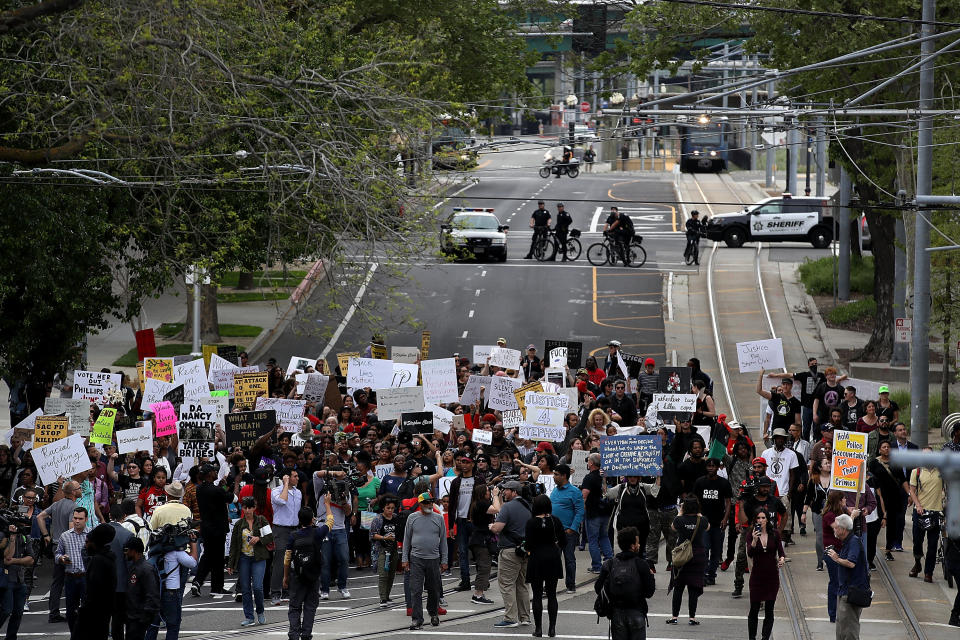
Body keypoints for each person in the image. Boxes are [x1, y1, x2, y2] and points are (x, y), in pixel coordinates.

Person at [596, 526, 656, 640]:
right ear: (633, 546)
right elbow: (649, 592)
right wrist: (651, 576)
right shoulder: (641, 564)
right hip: (637, 611)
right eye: (637, 542)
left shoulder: (610, 564)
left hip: (616, 613)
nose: (639, 545)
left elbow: (598, 588)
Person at [144, 518, 198, 640]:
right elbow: (193, 562)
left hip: (156, 592)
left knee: (153, 625)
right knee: (173, 625)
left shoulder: (153, 551)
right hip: (171, 592)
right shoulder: (176, 553)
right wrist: (193, 543)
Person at [402, 492, 448, 630]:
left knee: (434, 589)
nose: (429, 505)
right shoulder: (412, 518)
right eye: (426, 502)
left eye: (431, 502)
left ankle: (433, 614)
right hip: (416, 558)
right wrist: (405, 559)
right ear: (420, 504)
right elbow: (407, 540)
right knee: (415, 590)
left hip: (433, 559)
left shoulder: (438, 518)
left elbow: (443, 541)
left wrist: (444, 560)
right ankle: (417, 619)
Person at [490, 480, 532, 628]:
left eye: (506, 490)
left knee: (507, 584)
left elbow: (497, 529)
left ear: (514, 492)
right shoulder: (529, 506)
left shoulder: (508, 507)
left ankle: (510, 618)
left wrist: (492, 526)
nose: (503, 492)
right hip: (525, 550)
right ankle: (525, 617)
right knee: (523, 584)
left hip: (509, 551)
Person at [283, 506, 329, 640]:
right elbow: (330, 521)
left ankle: (294, 634)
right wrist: (327, 504)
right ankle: (306, 634)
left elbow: (287, 559)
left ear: (299, 520)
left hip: (297, 576)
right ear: (312, 520)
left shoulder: (293, 536)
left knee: (295, 606)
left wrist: (285, 577)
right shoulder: (318, 533)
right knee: (310, 607)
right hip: (313, 576)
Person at [228, 496, 275, 627]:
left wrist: (259, 538)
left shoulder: (261, 520)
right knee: (245, 589)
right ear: (242, 508)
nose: (247, 510)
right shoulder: (239, 524)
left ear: (254, 508)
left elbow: (270, 536)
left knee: (258, 587)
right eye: (245, 507)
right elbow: (233, 546)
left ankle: (260, 611)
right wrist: (230, 565)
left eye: (250, 507)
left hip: (258, 558)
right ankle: (249, 617)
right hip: (244, 558)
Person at [191, 464, 236, 597]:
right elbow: (232, 498)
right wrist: (229, 486)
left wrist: (221, 487)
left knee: (210, 556)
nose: (216, 473)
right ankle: (206, 583)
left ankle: (206, 584)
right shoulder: (216, 490)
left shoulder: (199, 489)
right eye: (214, 471)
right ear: (210, 474)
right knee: (216, 558)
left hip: (206, 527)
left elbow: (218, 494)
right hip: (218, 528)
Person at [37, 479, 78, 623]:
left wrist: (46, 535)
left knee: (57, 582)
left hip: (55, 546)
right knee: (72, 580)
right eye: (78, 488)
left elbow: (39, 516)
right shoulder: (73, 507)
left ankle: (53, 612)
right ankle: (71, 611)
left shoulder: (56, 504)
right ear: (73, 492)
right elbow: (71, 529)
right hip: (67, 547)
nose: (80, 490)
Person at [524, 494, 566, 638]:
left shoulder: (531, 522)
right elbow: (563, 541)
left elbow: (528, 544)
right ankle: (552, 628)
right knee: (552, 594)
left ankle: (538, 629)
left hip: (536, 557)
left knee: (536, 595)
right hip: (552, 557)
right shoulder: (555, 521)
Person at [828, 514, 869, 640]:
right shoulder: (846, 542)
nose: (834, 529)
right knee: (841, 626)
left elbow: (851, 563)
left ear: (844, 529)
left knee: (849, 629)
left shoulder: (854, 542)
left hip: (852, 592)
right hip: (844, 590)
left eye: (836, 527)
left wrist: (837, 558)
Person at [667, 497, 707, 625]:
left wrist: (680, 511)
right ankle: (692, 618)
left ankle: (674, 617)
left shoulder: (679, 520)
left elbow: (673, 527)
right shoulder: (702, 520)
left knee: (678, 587)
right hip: (697, 556)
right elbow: (707, 527)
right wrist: (699, 513)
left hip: (682, 557)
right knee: (693, 588)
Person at [746, 511, 785, 640]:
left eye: (763, 518)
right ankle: (752, 637)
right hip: (757, 576)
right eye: (758, 518)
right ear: (755, 520)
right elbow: (750, 553)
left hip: (771, 576)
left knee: (769, 609)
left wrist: (781, 560)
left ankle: (765, 637)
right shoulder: (751, 534)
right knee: (754, 609)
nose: (761, 520)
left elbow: (781, 552)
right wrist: (754, 540)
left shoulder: (775, 534)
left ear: (767, 519)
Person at [907, 448, 944, 582]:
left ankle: (929, 572)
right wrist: (918, 505)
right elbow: (912, 490)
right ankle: (917, 564)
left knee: (933, 545)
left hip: (936, 512)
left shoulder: (941, 471)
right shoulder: (916, 472)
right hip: (920, 513)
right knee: (917, 542)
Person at [693, 458, 731, 585]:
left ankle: (711, 574)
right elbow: (695, 499)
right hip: (704, 523)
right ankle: (702, 575)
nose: (710, 468)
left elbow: (728, 502)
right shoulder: (700, 482)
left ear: (717, 467)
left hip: (718, 523)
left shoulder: (724, 483)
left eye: (713, 466)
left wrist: (725, 518)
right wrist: (697, 516)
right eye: (708, 466)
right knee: (704, 549)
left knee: (716, 551)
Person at [77, 523, 118, 640]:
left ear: (94, 542)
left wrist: (84, 610)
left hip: (94, 613)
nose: (85, 546)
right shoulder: (109, 558)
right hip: (104, 612)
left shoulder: (98, 561)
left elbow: (94, 590)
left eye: (87, 542)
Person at [445, 451, 477, 592]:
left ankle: (482, 580)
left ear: (472, 464)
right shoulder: (456, 482)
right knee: (462, 552)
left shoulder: (479, 479)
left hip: (475, 521)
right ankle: (465, 581)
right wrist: (451, 525)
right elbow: (452, 505)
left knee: (479, 552)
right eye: (462, 462)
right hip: (461, 520)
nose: (463, 465)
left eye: (466, 462)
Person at [550, 464, 584, 593]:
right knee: (553, 560)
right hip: (554, 532)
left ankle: (571, 584)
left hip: (568, 532)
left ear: (564, 476)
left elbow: (580, 512)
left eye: (556, 474)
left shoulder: (574, 492)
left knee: (569, 559)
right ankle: (550, 585)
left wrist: (572, 529)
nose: (554, 477)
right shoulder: (554, 490)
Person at [0, 517, 36, 640]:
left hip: (20, 580)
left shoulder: (26, 537)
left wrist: (14, 561)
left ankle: (11, 637)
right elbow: (7, 557)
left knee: (18, 612)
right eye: (19, 524)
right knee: (6, 610)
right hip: (6, 579)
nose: (21, 526)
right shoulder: (3, 536)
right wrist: (12, 537)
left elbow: (31, 559)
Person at [270, 470, 302, 604]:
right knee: (280, 561)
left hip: (295, 529)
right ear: (287, 477)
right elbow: (282, 501)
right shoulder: (276, 491)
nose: (298, 478)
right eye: (295, 476)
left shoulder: (298, 492)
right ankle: (276, 592)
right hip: (281, 529)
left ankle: (289, 590)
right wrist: (286, 484)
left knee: (294, 560)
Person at [55, 506, 88, 633]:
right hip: (70, 577)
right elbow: (57, 554)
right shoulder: (65, 536)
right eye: (75, 518)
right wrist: (62, 558)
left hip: (85, 576)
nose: (77, 521)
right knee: (70, 610)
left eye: (80, 518)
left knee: (87, 608)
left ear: (86, 519)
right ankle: (74, 634)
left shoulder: (91, 535)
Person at [124, 538, 161, 640]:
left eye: (127, 550)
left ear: (134, 551)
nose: (125, 553)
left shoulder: (146, 569)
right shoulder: (133, 567)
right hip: (132, 616)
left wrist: (144, 617)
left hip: (139, 617)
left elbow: (152, 594)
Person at [581, 453, 612, 572]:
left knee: (593, 540)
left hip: (593, 513)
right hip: (605, 512)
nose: (587, 463)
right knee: (604, 536)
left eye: (588, 461)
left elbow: (584, 495)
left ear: (591, 463)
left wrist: (581, 510)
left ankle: (597, 566)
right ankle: (609, 561)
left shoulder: (589, 478)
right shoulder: (603, 477)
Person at [107, 506, 134, 640]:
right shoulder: (127, 535)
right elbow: (130, 561)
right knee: (120, 618)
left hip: (102, 583)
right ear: (124, 516)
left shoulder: (99, 532)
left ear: (110, 515)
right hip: (121, 583)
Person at [467, 483, 497, 604]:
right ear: (482, 493)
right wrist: (495, 495)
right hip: (481, 541)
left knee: (483, 566)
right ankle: (477, 595)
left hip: (479, 539)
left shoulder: (477, 504)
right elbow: (497, 509)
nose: (489, 492)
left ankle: (479, 593)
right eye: (487, 491)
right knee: (484, 567)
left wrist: (497, 497)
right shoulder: (482, 503)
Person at [822, 490, 849, 622]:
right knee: (835, 581)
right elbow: (840, 532)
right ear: (838, 501)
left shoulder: (840, 514)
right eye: (843, 499)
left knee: (841, 581)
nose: (845, 501)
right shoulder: (829, 515)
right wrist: (852, 517)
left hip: (840, 550)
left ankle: (838, 612)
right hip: (832, 552)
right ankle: (833, 613)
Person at [371, 496, 401, 606]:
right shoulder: (378, 519)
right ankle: (382, 598)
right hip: (382, 549)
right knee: (383, 574)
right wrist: (384, 538)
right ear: (383, 508)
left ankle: (387, 596)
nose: (390, 510)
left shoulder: (396, 517)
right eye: (388, 508)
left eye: (392, 508)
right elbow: (373, 534)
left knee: (391, 574)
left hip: (393, 549)